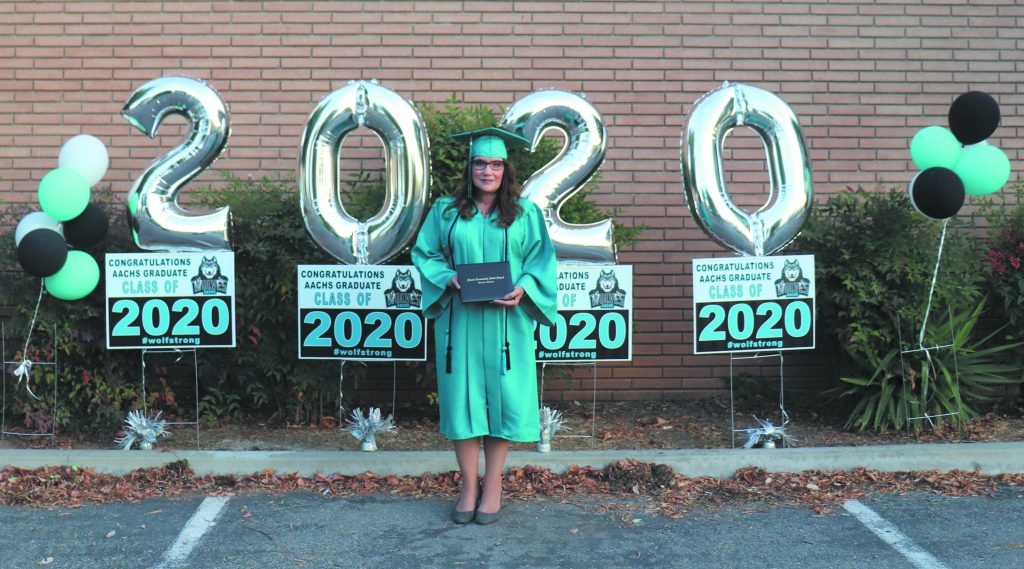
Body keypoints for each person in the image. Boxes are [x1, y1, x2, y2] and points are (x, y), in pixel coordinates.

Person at [412, 126, 557, 525]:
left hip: (508, 324)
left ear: (505, 169)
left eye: (495, 164)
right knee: (462, 402)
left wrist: (525, 288)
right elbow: (425, 253)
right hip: (460, 323)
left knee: (505, 401)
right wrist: (448, 278)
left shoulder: (525, 214)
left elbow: (541, 261)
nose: (487, 171)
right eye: (480, 163)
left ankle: (492, 486)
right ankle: (468, 486)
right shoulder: (445, 211)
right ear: (470, 167)